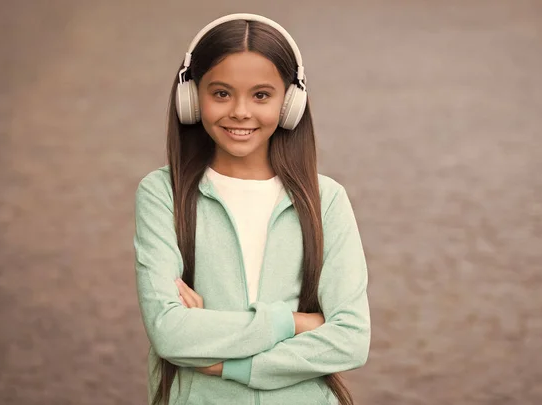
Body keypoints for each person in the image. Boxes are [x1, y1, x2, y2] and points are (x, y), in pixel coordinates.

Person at [133, 13, 370, 405]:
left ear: (290, 103)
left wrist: (230, 362)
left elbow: (351, 339)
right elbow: (170, 333)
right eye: (221, 93)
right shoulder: (162, 193)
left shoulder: (326, 200)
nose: (240, 111)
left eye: (261, 95)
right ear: (191, 98)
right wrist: (293, 323)